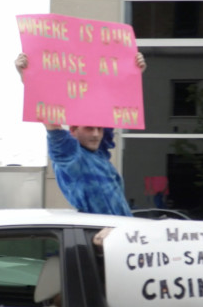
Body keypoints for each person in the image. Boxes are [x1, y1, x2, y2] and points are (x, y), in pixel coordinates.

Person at [15, 52, 147, 216]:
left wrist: (134, 73)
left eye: (99, 129)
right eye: (89, 128)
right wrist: (27, 77)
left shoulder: (98, 155)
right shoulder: (71, 157)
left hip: (122, 231)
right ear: (73, 131)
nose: (96, 134)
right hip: (102, 233)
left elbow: (114, 105)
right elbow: (48, 115)